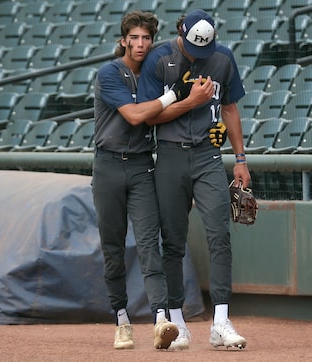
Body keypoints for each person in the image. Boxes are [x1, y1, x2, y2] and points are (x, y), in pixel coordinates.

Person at [137, 9, 251, 351]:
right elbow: (148, 117)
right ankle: (177, 322)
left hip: (208, 155)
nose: (196, 55)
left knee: (220, 234)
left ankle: (220, 322)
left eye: (203, 49)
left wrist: (241, 158)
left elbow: (230, 107)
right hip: (169, 155)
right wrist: (191, 102)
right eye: (191, 48)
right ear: (180, 33)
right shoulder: (159, 59)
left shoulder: (222, 57)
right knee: (172, 241)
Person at [92, 11, 181, 350]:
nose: (141, 44)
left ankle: (161, 320)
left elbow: (159, 113)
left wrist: (177, 98)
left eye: (146, 38)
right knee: (113, 249)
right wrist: (172, 97)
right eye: (135, 37)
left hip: (143, 166)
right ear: (124, 40)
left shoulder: (156, 74)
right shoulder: (109, 72)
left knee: (149, 244)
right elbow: (134, 115)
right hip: (108, 167)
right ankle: (121, 320)